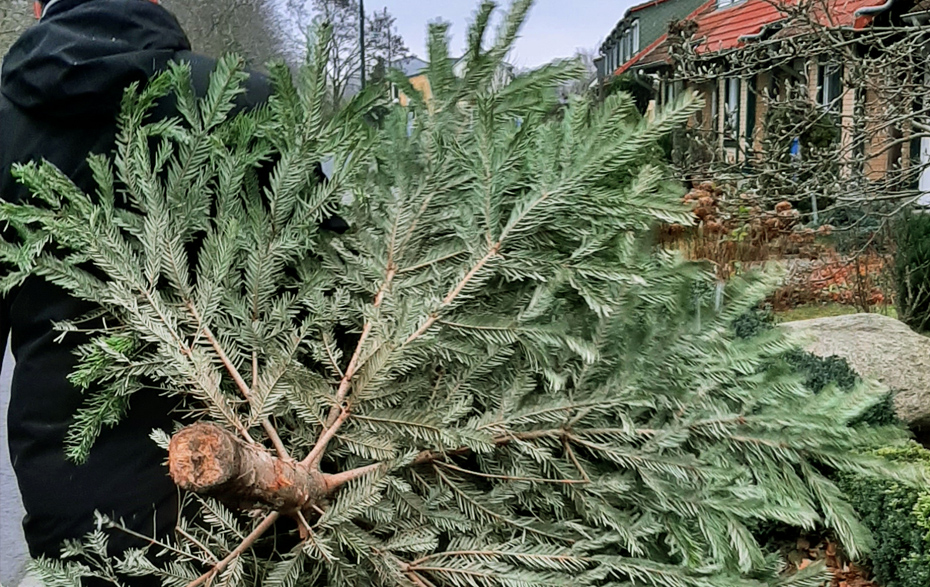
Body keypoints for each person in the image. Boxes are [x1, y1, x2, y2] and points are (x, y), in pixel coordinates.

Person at [0, 0, 271, 580]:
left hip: (80, 514)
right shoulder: (247, 101)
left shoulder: (5, 125)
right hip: (257, 502)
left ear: (34, 2)